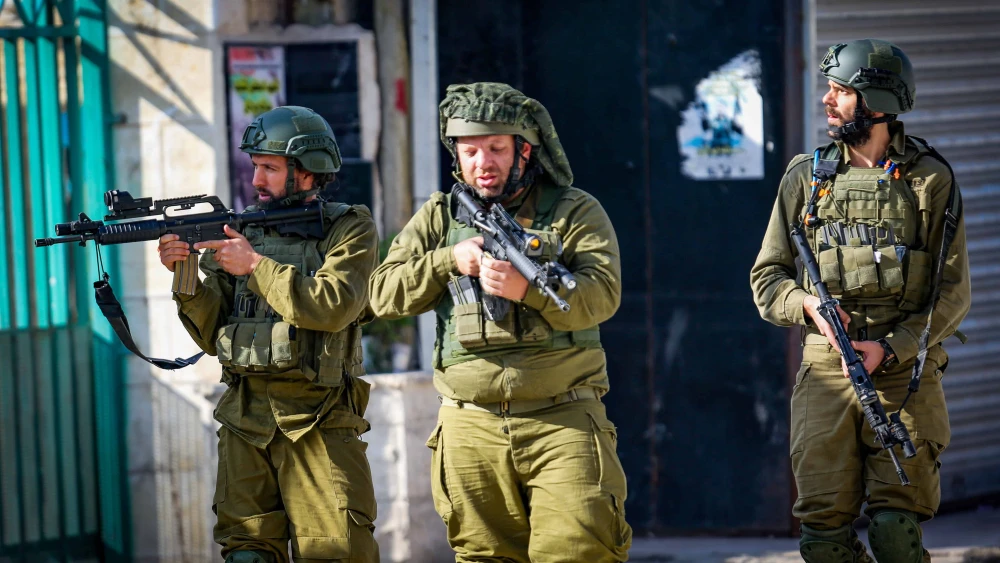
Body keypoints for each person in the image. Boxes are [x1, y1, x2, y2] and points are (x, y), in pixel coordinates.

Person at [368, 82, 632, 562]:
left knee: (579, 551)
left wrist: (526, 289)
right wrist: (450, 259)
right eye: (470, 152)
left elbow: (602, 296)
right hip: (471, 427)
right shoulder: (440, 217)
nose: (482, 163)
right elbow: (382, 294)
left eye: (496, 149)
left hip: (562, 420)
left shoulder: (574, 211)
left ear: (524, 151)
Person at [750, 39, 971, 562]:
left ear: (874, 102)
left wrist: (889, 349)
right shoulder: (805, 178)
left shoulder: (929, 180)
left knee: (896, 529)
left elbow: (953, 294)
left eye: (840, 91)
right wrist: (807, 305)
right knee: (822, 538)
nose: (827, 101)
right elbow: (767, 278)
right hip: (827, 372)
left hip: (903, 373)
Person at [157, 106, 380, 563]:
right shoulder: (238, 233)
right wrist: (185, 276)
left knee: (336, 551)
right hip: (245, 419)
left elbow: (334, 305)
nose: (257, 179)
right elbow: (212, 334)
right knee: (247, 553)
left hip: (318, 419)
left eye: (270, 168)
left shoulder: (348, 228)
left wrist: (256, 267)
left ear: (307, 172)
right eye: (255, 165)